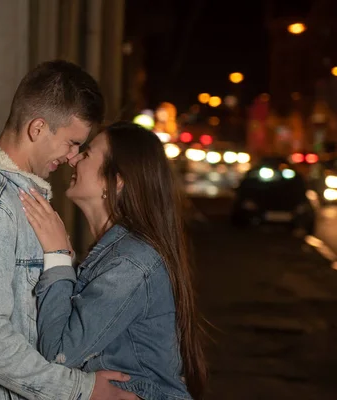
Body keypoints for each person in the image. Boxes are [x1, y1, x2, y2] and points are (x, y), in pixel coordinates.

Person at [0, 61, 139, 400]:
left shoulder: (23, 198)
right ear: (37, 128)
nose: (73, 157)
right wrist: (81, 389)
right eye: (72, 143)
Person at [19, 121, 208, 400]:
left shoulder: (131, 263)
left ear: (116, 181)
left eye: (86, 154)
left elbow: (59, 352)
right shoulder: (117, 254)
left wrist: (58, 257)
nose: (72, 158)